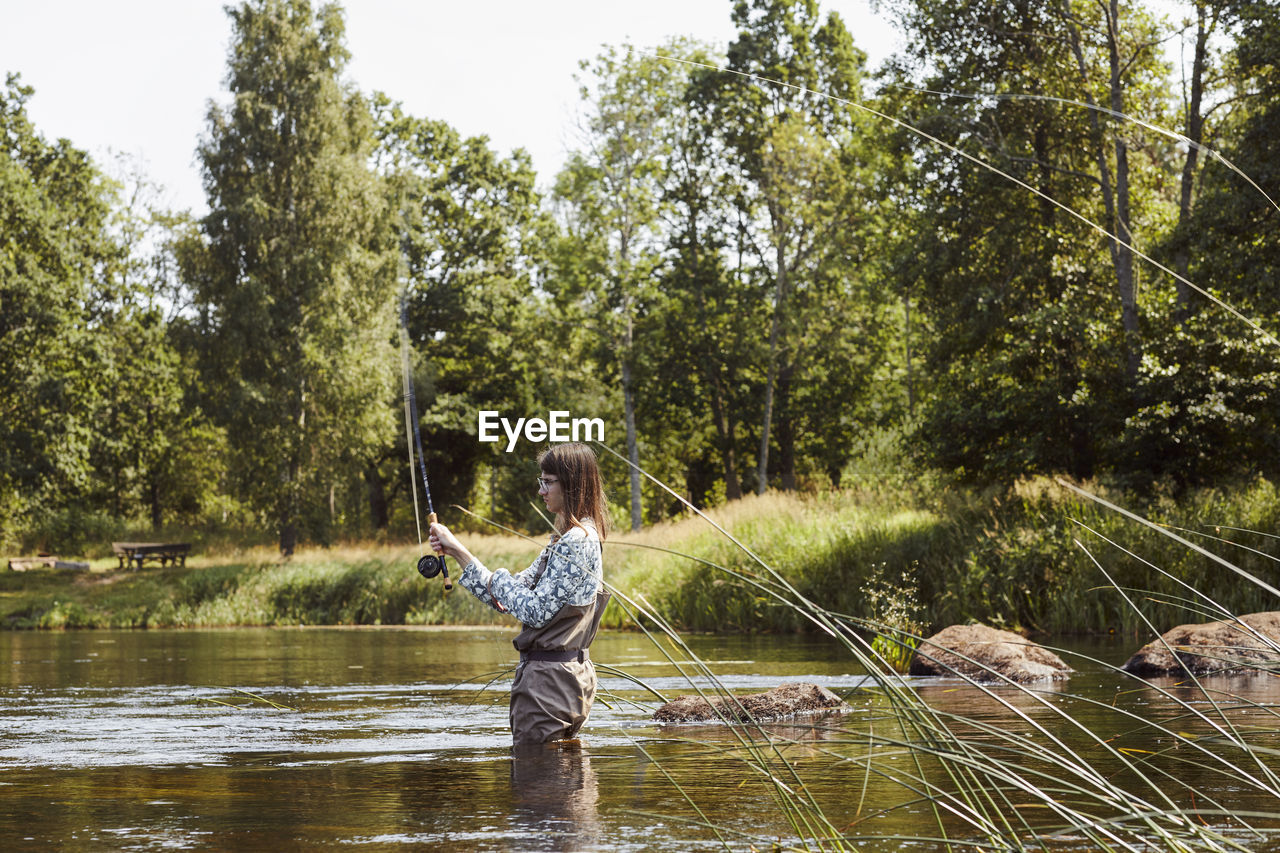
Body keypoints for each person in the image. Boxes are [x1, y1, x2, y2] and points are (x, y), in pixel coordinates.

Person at [429, 442, 611, 746]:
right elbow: (509, 595)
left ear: (573, 484)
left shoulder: (577, 541)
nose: (541, 490)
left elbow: (534, 611)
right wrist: (458, 551)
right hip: (560, 678)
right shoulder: (566, 539)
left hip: (549, 683)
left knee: (538, 781)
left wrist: (498, 582)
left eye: (548, 482)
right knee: (564, 785)